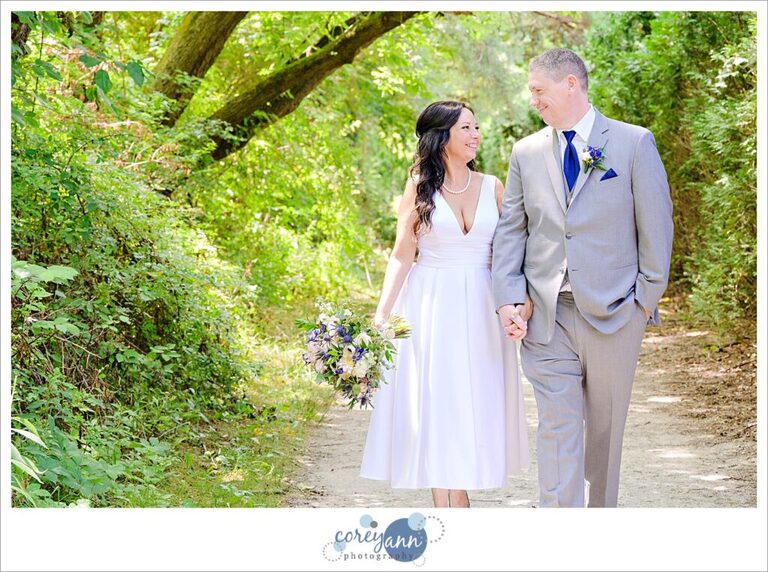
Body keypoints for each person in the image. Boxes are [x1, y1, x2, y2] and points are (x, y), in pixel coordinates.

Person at [492, 48, 674, 508]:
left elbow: (656, 224)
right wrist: (509, 297)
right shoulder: (526, 153)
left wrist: (644, 301)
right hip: (547, 316)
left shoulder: (634, 143)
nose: (533, 100)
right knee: (556, 426)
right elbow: (513, 231)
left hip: (616, 313)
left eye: (539, 90)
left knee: (605, 434)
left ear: (570, 83)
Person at [360, 101, 530, 508]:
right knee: (440, 401)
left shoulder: (493, 187)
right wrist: (381, 314)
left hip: (483, 306)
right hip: (431, 306)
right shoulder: (420, 187)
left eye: (476, 126)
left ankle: (459, 498)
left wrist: (520, 303)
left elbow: (514, 252)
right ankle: (449, 507)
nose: (475, 135)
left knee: (476, 402)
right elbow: (402, 255)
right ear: (442, 137)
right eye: (466, 127)